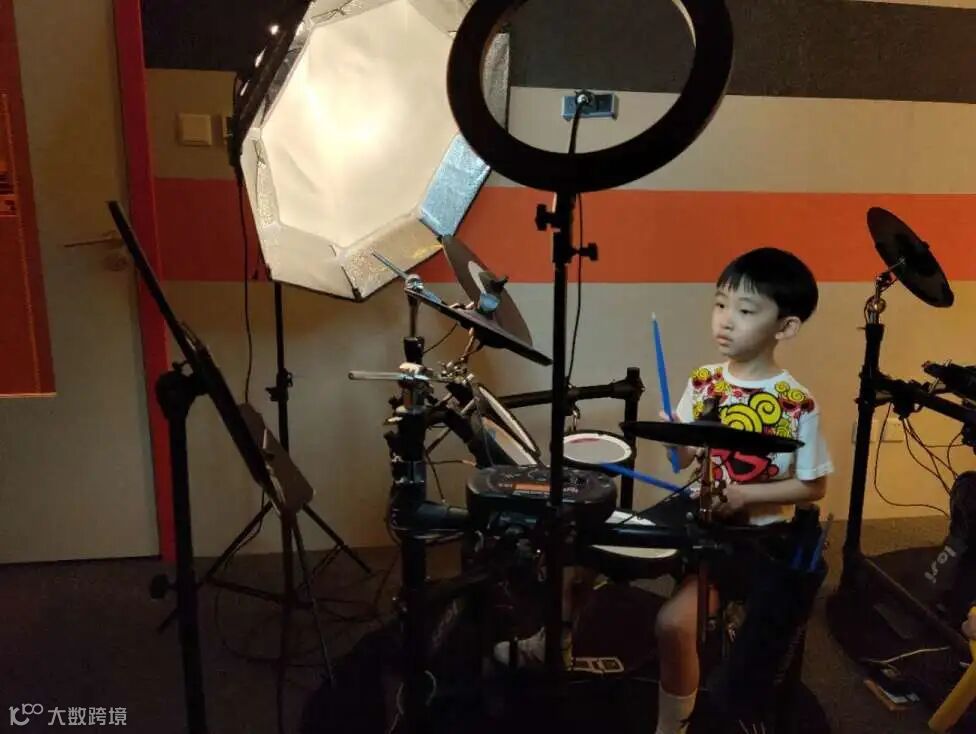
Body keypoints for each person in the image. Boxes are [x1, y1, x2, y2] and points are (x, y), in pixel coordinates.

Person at [653, 247, 833, 734]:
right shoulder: (703, 381)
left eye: (746, 310)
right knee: (596, 539)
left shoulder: (796, 402)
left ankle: (673, 726)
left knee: (673, 624)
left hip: (752, 540)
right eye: (720, 304)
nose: (726, 321)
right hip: (698, 519)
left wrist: (748, 496)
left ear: (785, 327)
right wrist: (675, 441)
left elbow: (814, 485)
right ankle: (555, 640)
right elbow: (684, 461)